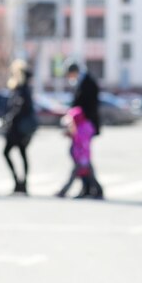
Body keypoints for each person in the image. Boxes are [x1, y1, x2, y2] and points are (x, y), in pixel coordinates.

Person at [65, 62, 104, 199]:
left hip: (85, 126)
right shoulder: (82, 82)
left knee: (81, 156)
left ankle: (93, 187)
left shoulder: (88, 83)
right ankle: (88, 187)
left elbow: (87, 105)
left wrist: (76, 116)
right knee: (82, 156)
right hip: (81, 125)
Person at [3, 58, 38, 195]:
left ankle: (20, 183)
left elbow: (21, 108)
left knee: (9, 153)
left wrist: (10, 118)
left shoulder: (22, 88)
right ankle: (21, 183)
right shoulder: (23, 87)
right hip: (19, 127)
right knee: (21, 154)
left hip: (18, 128)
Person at [55, 106, 103, 199]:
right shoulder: (79, 127)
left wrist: (83, 158)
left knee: (76, 175)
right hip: (80, 156)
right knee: (89, 175)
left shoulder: (82, 129)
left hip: (82, 157)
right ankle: (95, 191)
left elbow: (83, 144)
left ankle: (63, 191)